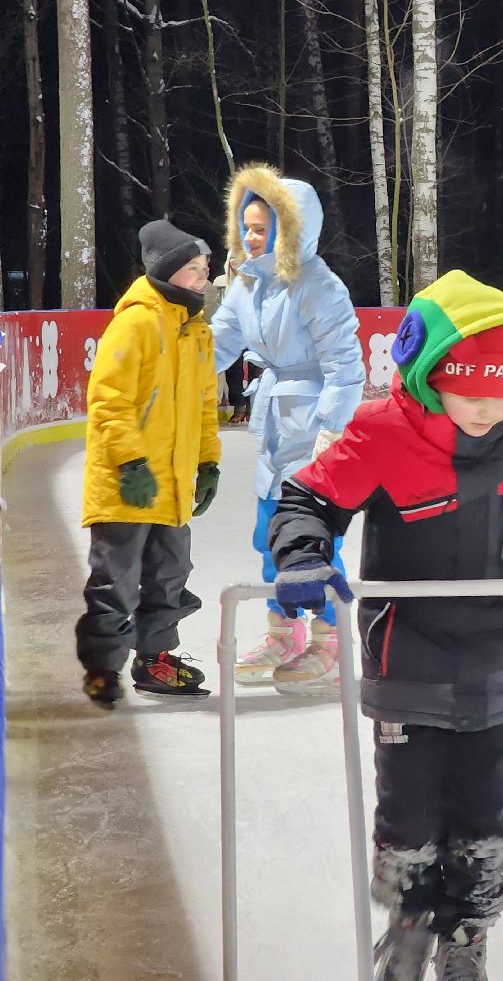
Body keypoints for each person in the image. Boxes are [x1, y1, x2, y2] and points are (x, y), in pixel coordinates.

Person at [267, 270, 503, 980]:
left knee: (485, 808)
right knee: (411, 809)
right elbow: (309, 498)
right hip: (409, 658)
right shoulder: (383, 432)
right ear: (427, 377)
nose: (489, 407)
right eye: (470, 391)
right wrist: (301, 554)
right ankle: (412, 921)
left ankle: (467, 935)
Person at [210, 163, 365, 694]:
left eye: (261, 229)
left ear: (288, 231)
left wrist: (330, 430)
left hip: (314, 432)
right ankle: (283, 633)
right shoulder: (248, 284)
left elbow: (346, 367)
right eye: (246, 228)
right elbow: (218, 345)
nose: (250, 239)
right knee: (269, 531)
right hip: (275, 427)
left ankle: (330, 638)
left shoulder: (319, 286)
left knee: (316, 536)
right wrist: (168, 371)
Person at [77, 219, 223, 707]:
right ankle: (102, 667)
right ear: (168, 271)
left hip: (175, 483)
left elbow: (204, 408)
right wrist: (131, 461)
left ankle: (155, 658)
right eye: (195, 269)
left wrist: (207, 464)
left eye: (206, 268)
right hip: (127, 483)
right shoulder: (137, 321)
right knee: (115, 580)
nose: (204, 277)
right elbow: (108, 399)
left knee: (169, 575)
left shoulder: (195, 330)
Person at [209, 252, 251, 425]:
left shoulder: (251, 280)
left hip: (251, 330)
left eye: (238, 257)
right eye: (231, 258)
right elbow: (213, 304)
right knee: (234, 372)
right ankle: (239, 406)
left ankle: (252, 409)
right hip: (230, 331)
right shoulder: (219, 281)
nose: (234, 262)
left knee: (256, 372)